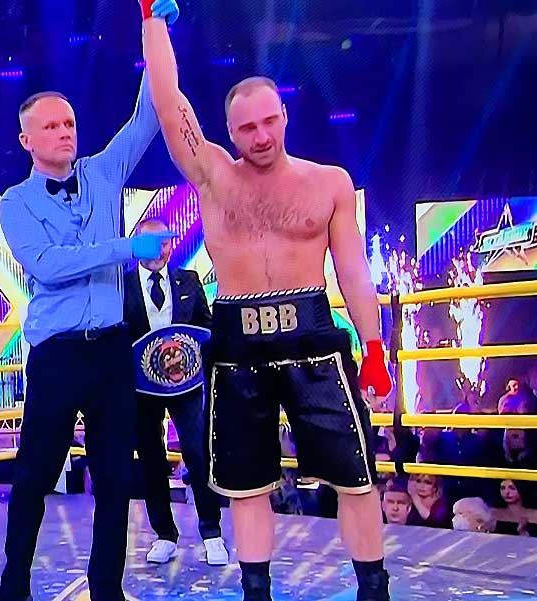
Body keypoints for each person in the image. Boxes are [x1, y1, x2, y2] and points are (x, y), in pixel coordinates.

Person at [140, 2, 394, 599]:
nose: (260, 136)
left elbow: (353, 270)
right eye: (247, 128)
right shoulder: (214, 176)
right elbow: (168, 101)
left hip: (314, 342)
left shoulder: (328, 183)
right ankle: (256, 591)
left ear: (284, 116)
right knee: (246, 484)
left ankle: (373, 588)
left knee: (355, 476)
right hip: (238, 349)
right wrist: (151, 19)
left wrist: (374, 345)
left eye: (268, 122)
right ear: (230, 133)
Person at [0, 50, 172, 600]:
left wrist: (154, 36)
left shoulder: (102, 171)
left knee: (116, 477)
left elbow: (148, 117)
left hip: (112, 351)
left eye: (69, 122)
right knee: (34, 474)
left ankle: (106, 589)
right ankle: (13, 586)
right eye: (51, 126)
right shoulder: (14, 203)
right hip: (58, 354)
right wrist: (126, 248)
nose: (64, 132)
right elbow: (48, 265)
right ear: (26, 139)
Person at [122, 218, 228, 566]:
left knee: (198, 453)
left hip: (187, 386)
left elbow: (206, 328)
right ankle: (164, 535)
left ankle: (212, 533)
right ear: (137, 245)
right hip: (141, 389)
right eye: (152, 243)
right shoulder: (121, 286)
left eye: (165, 242)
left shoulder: (189, 281)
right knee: (151, 459)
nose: (160, 250)